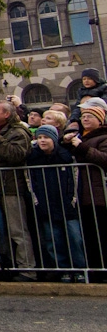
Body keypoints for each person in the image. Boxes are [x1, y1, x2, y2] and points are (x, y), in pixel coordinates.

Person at [0, 100, 37, 281]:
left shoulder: (18, 132)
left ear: (6, 114)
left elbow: (15, 155)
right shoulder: (1, 132)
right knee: (1, 230)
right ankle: (9, 265)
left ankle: (28, 269)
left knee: (18, 230)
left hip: (12, 187)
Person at [27, 125, 86, 282]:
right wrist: (36, 201)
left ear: (53, 138)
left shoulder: (65, 155)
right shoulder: (33, 158)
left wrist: (73, 199)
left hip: (67, 204)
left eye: (45, 137)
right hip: (46, 204)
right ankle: (63, 269)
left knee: (75, 238)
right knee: (53, 240)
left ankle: (79, 269)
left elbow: (74, 177)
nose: (42, 140)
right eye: (39, 137)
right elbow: (30, 181)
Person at [61, 100, 107, 280]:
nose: (85, 119)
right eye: (83, 116)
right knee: (88, 234)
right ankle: (94, 270)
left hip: (98, 193)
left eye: (90, 116)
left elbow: (104, 158)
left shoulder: (103, 137)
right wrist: (65, 142)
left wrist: (81, 146)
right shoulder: (80, 136)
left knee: (101, 233)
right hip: (80, 193)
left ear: (100, 120)